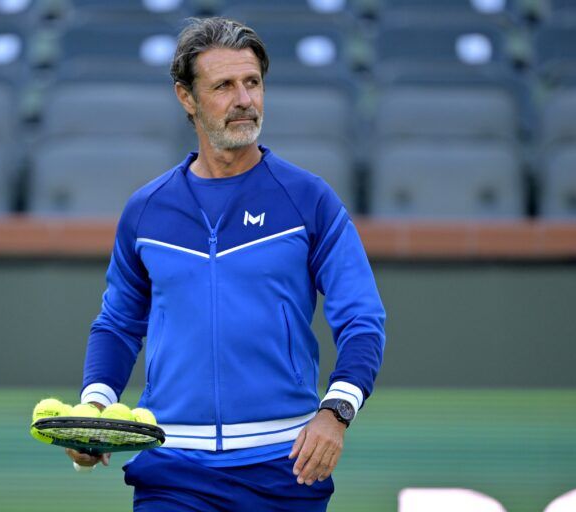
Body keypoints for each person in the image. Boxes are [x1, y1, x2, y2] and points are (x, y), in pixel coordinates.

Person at [66, 17, 386, 512]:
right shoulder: (146, 210)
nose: (244, 100)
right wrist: (96, 407)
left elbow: (362, 320)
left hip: (285, 467)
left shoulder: (309, 200)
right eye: (224, 86)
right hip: (173, 468)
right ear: (186, 97)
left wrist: (336, 411)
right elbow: (118, 324)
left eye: (252, 83)